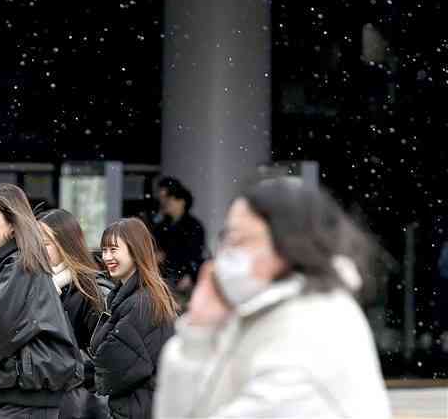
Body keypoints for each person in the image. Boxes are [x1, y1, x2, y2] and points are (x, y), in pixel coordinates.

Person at [154, 178, 391, 418]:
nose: (227, 254)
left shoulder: (316, 322)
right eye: (226, 239)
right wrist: (199, 336)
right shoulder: (254, 314)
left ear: (289, 244)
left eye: (240, 240)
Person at [0, 184, 83, 419]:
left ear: (13, 223)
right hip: (11, 395)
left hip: (25, 398)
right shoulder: (2, 264)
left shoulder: (20, 265)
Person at [90, 217, 178, 419]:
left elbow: (113, 364)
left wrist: (79, 373)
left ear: (135, 250)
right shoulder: (137, 296)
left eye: (113, 249)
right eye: (104, 250)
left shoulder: (141, 302)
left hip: (137, 408)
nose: (106, 257)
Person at [37, 209, 114, 419]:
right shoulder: (39, 287)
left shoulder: (91, 291)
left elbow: (104, 357)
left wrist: (59, 363)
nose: (39, 250)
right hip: (49, 403)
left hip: (78, 405)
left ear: (65, 244)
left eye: (46, 244)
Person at [153, 177, 206, 292]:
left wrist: (189, 275)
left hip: (182, 279)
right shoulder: (161, 226)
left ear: (182, 201)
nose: (164, 203)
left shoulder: (193, 226)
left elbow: (194, 254)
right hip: (163, 277)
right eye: (162, 199)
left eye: (168, 199)